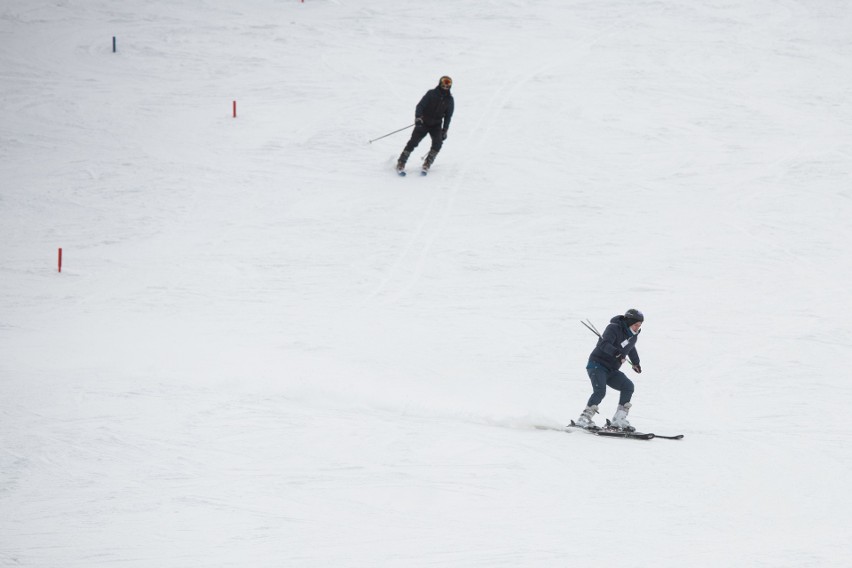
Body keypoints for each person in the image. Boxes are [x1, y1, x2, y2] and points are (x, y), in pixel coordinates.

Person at [575, 309, 644, 431]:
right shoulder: (613, 328)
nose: (637, 328)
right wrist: (616, 353)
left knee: (628, 386)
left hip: (612, 369)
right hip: (597, 365)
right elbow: (604, 344)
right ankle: (584, 419)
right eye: (635, 325)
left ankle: (619, 419)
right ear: (629, 322)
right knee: (600, 391)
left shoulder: (633, 336)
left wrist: (636, 363)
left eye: (639, 325)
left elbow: (631, 348)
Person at [396, 76, 454, 174]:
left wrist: (445, 129)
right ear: (440, 83)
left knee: (438, 143)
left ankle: (427, 163)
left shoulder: (450, 100)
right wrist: (418, 117)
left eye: (448, 83)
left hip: (436, 125)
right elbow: (420, 106)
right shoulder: (431, 93)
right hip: (424, 122)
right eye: (444, 82)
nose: (446, 85)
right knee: (413, 142)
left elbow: (448, 116)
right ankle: (401, 162)